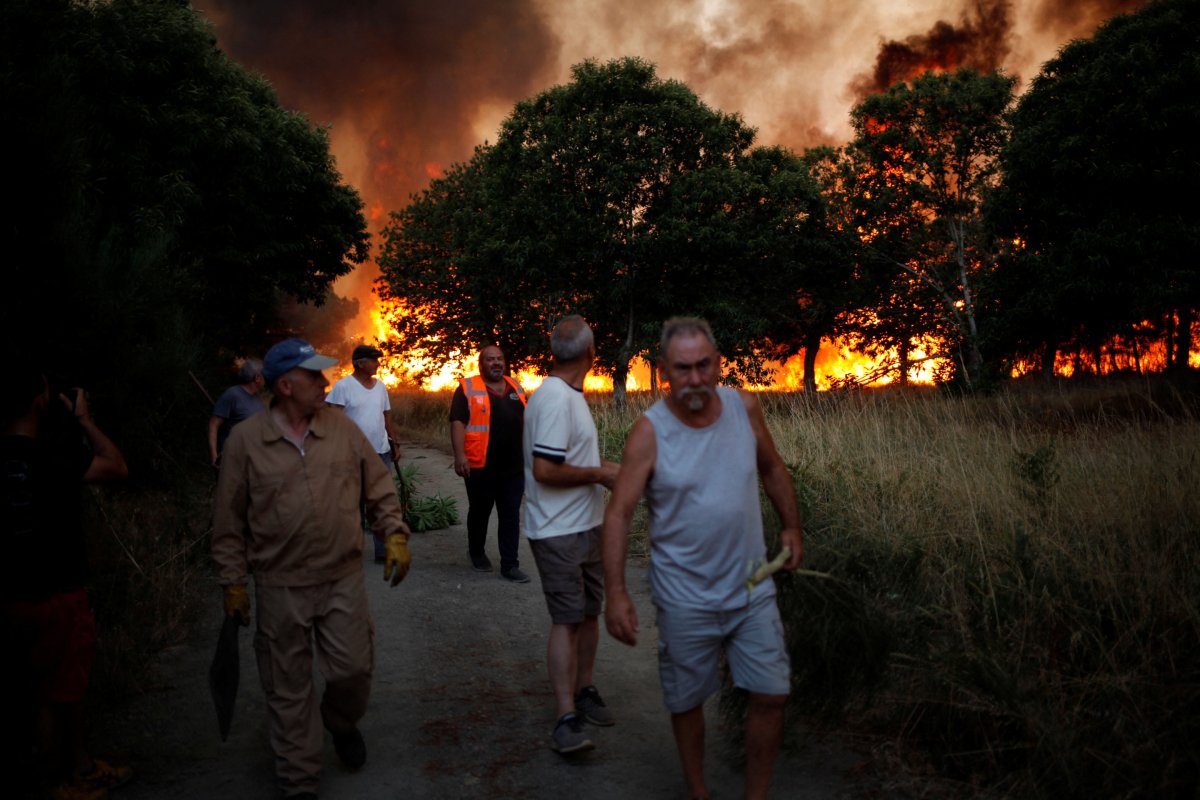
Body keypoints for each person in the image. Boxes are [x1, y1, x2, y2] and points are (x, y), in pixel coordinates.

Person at [602, 317, 805, 800]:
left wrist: (791, 526)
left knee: (771, 694)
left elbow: (772, 468)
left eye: (703, 365)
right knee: (687, 699)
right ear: (662, 371)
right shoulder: (650, 432)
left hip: (751, 588)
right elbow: (619, 513)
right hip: (684, 598)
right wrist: (616, 592)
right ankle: (698, 792)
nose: (695, 379)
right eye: (682, 368)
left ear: (718, 363)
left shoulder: (745, 408)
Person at [212, 338, 412, 800]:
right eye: (313, 376)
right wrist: (233, 583)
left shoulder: (341, 430)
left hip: (342, 578)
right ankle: (299, 778)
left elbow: (378, 484)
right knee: (288, 684)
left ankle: (340, 721)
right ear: (285, 385)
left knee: (353, 669)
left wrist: (394, 532)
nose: (324, 383)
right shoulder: (246, 442)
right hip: (280, 584)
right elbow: (228, 522)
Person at [1, 357, 131, 800]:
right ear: (41, 396)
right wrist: (85, 421)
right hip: (56, 593)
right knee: (58, 692)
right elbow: (116, 467)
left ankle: (72, 766)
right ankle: (61, 780)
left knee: (31, 690)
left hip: (10, 596)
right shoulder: (53, 457)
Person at [522, 315, 620, 755]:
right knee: (567, 619)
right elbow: (545, 470)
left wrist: (610, 471)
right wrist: (600, 474)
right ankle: (565, 717)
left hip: (585, 525)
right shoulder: (555, 399)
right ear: (590, 353)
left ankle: (584, 690)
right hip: (557, 529)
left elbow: (572, 459)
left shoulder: (570, 396)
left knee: (588, 613)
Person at [449, 345, 529, 581]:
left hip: (514, 466)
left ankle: (510, 565)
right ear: (481, 364)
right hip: (480, 465)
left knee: (510, 514)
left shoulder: (515, 386)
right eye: (490, 359)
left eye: (499, 359)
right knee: (480, 511)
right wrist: (460, 456)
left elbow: (527, 419)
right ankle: (476, 552)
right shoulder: (467, 388)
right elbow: (457, 422)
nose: (496, 363)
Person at [326, 344, 401, 563]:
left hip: (380, 453)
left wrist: (395, 443)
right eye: (373, 359)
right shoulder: (343, 387)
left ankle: (382, 552)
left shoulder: (381, 387)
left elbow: (387, 416)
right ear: (360, 363)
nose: (378, 363)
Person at [207, 357, 265, 468]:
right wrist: (214, 456)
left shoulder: (257, 398)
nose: (265, 378)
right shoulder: (232, 395)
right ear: (257, 378)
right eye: (264, 375)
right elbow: (213, 425)